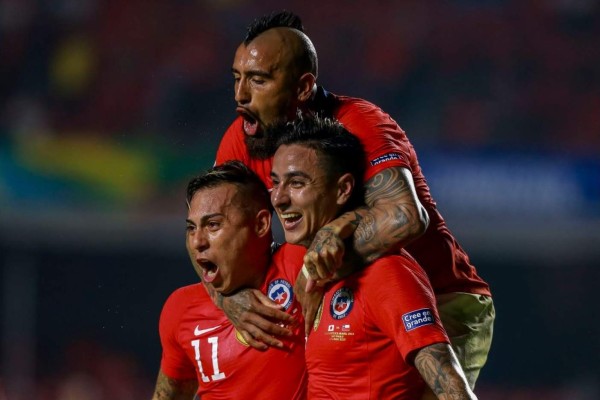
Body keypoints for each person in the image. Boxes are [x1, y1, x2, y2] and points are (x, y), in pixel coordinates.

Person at [214, 10, 495, 389]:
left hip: (435, 297)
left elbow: (405, 217)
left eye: (259, 80)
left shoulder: (362, 123)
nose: (240, 95)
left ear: (302, 88)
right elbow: (210, 226)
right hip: (340, 300)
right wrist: (228, 298)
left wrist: (324, 256)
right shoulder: (245, 137)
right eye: (237, 78)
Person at [269, 115, 477, 399]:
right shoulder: (316, 272)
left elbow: (452, 386)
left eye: (296, 183)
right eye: (276, 183)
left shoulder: (386, 272)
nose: (279, 198)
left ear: (343, 189)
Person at [150, 161, 307, 400]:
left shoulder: (300, 265)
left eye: (213, 225)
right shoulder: (181, 307)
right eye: (191, 229)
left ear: (261, 224)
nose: (197, 242)